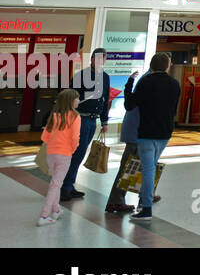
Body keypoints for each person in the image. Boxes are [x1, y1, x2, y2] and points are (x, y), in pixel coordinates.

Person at [123, 53, 181, 223]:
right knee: (152, 167)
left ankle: (146, 207)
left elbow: (129, 105)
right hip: (165, 133)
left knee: (148, 169)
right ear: (167, 66)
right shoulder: (174, 84)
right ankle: (144, 201)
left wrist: (129, 84)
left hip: (147, 133)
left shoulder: (145, 82)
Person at [105, 71, 159, 214]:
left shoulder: (146, 80)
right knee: (128, 167)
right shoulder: (149, 82)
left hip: (137, 132)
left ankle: (145, 195)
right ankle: (115, 201)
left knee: (140, 166)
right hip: (137, 133)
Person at [62, 47, 111, 203]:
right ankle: (65, 186)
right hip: (80, 119)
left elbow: (105, 98)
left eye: (102, 59)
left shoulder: (105, 77)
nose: (99, 62)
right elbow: (70, 98)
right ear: (91, 60)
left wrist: (104, 120)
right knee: (77, 152)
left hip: (92, 120)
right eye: (96, 59)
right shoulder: (81, 76)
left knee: (80, 153)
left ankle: (70, 185)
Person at [37, 89, 80, 226]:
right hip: (65, 154)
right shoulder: (75, 117)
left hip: (51, 153)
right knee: (55, 185)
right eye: (77, 98)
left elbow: (44, 137)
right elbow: (75, 138)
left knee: (55, 182)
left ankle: (55, 210)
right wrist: (72, 150)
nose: (78, 101)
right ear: (71, 101)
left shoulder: (54, 115)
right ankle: (44, 216)